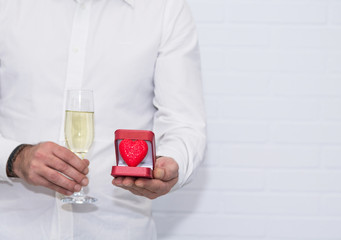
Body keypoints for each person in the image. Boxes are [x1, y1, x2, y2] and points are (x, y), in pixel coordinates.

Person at [0, 0, 206, 239]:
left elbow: (184, 124)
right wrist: (14, 157)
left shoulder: (165, 9)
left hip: (118, 230)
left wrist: (170, 163)